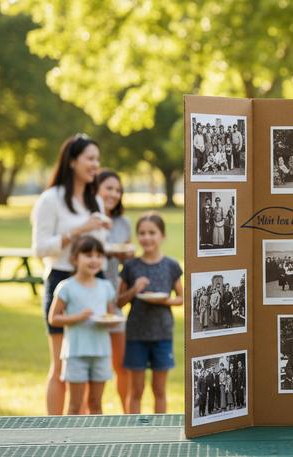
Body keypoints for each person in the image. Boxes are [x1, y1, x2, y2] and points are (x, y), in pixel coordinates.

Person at [31, 133, 111, 415]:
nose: (95, 165)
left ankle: (86, 431)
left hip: (94, 283)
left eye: (97, 160)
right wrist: (79, 229)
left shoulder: (95, 201)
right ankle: (55, 430)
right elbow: (40, 249)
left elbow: (96, 248)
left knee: (89, 363)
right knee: (61, 365)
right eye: (90, 158)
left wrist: (106, 241)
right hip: (61, 281)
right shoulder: (49, 199)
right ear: (73, 160)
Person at [117, 212, 183, 414]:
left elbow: (181, 298)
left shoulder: (171, 265)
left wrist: (165, 300)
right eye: (142, 233)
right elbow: (118, 302)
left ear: (162, 236)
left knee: (159, 389)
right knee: (136, 389)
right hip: (136, 335)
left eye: (152, 233)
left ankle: (160, 431)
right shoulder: (131, 266)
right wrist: (134, 290)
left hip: (162, 335)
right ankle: (134, 431)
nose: (146, 237)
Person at [48, 236, 117, 415]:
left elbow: (111, 316)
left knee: (96, 404)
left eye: (98, 255)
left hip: (101, 352)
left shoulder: (106, 286)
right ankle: (70, 442)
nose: (94, 260)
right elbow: (53, 318)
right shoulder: (66, 287)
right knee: (75, 406)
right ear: (74, 258)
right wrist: (77, 317)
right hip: (76, 353)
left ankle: (98, 442)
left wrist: (110, 320)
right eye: (88, 255)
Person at [96, 170, 132, 412]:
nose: (113, 194)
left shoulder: (123, 223)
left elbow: (125, 266)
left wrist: (128, 256)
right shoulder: (87, 218)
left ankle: (127, 412)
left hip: (113, 296)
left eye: (117, 190)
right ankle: (90, 414)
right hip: (89, 296)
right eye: (108, 188)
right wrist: (110, 250)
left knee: (122, 363)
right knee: (94, 364)